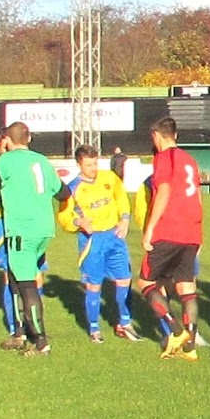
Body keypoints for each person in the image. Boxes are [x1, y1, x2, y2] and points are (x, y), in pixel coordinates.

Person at [0, 122, 71, 356]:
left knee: (26, 284)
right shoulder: (41, 160)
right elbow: (63, 192)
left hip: (21, 229)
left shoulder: (6, 160)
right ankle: (19, 333)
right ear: (28, 138)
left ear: (8, 141)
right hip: (43, 229)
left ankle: (41, 343)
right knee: (15, 277)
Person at [130, 117, 206, 361]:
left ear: (156, 135)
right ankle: (190, 347)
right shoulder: (190, 160)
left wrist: (150, 227)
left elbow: (163, 190)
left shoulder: (164, 158)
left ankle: (175, 330)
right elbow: (198, 198)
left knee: (145, 282)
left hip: (169, 230)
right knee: (186, 286)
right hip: (191, 232)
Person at [57, 144, 135, 343]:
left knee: (124, 280)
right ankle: (94, 329)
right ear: (78, 164)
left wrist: (125, 219)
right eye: (88, 165)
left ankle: (125, 323)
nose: (93, 168)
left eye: (95, 163)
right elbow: (64, 217)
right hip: (92, 242)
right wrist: (78, 222)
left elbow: (121, 198)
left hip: (114, 236)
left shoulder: (109, 178)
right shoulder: (73, 188)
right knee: (94, 286)